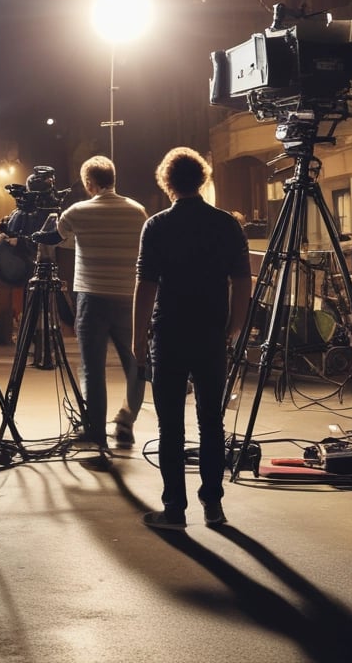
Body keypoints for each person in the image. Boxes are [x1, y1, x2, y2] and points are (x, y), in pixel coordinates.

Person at [133, 147, 251, 530]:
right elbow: (241, 278)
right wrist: (236, 323)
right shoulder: (226, 224)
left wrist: (138, 336)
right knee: (211, 421)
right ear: (202, 179)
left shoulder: (157, 225)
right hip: (211, 330)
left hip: (169, 331)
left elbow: (145, 284)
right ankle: (213, 504)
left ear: (167, 182)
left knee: (170, 425)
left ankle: (175, 509)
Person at [35, 155, 147, 449]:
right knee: (135, 363)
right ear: (113, 178)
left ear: (88, 183)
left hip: (92, 298)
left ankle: (95, 429)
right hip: (128, 297)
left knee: (92, 367)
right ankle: (126, 422)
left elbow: (52, 238)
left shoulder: (77, 211)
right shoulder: (137, 212)